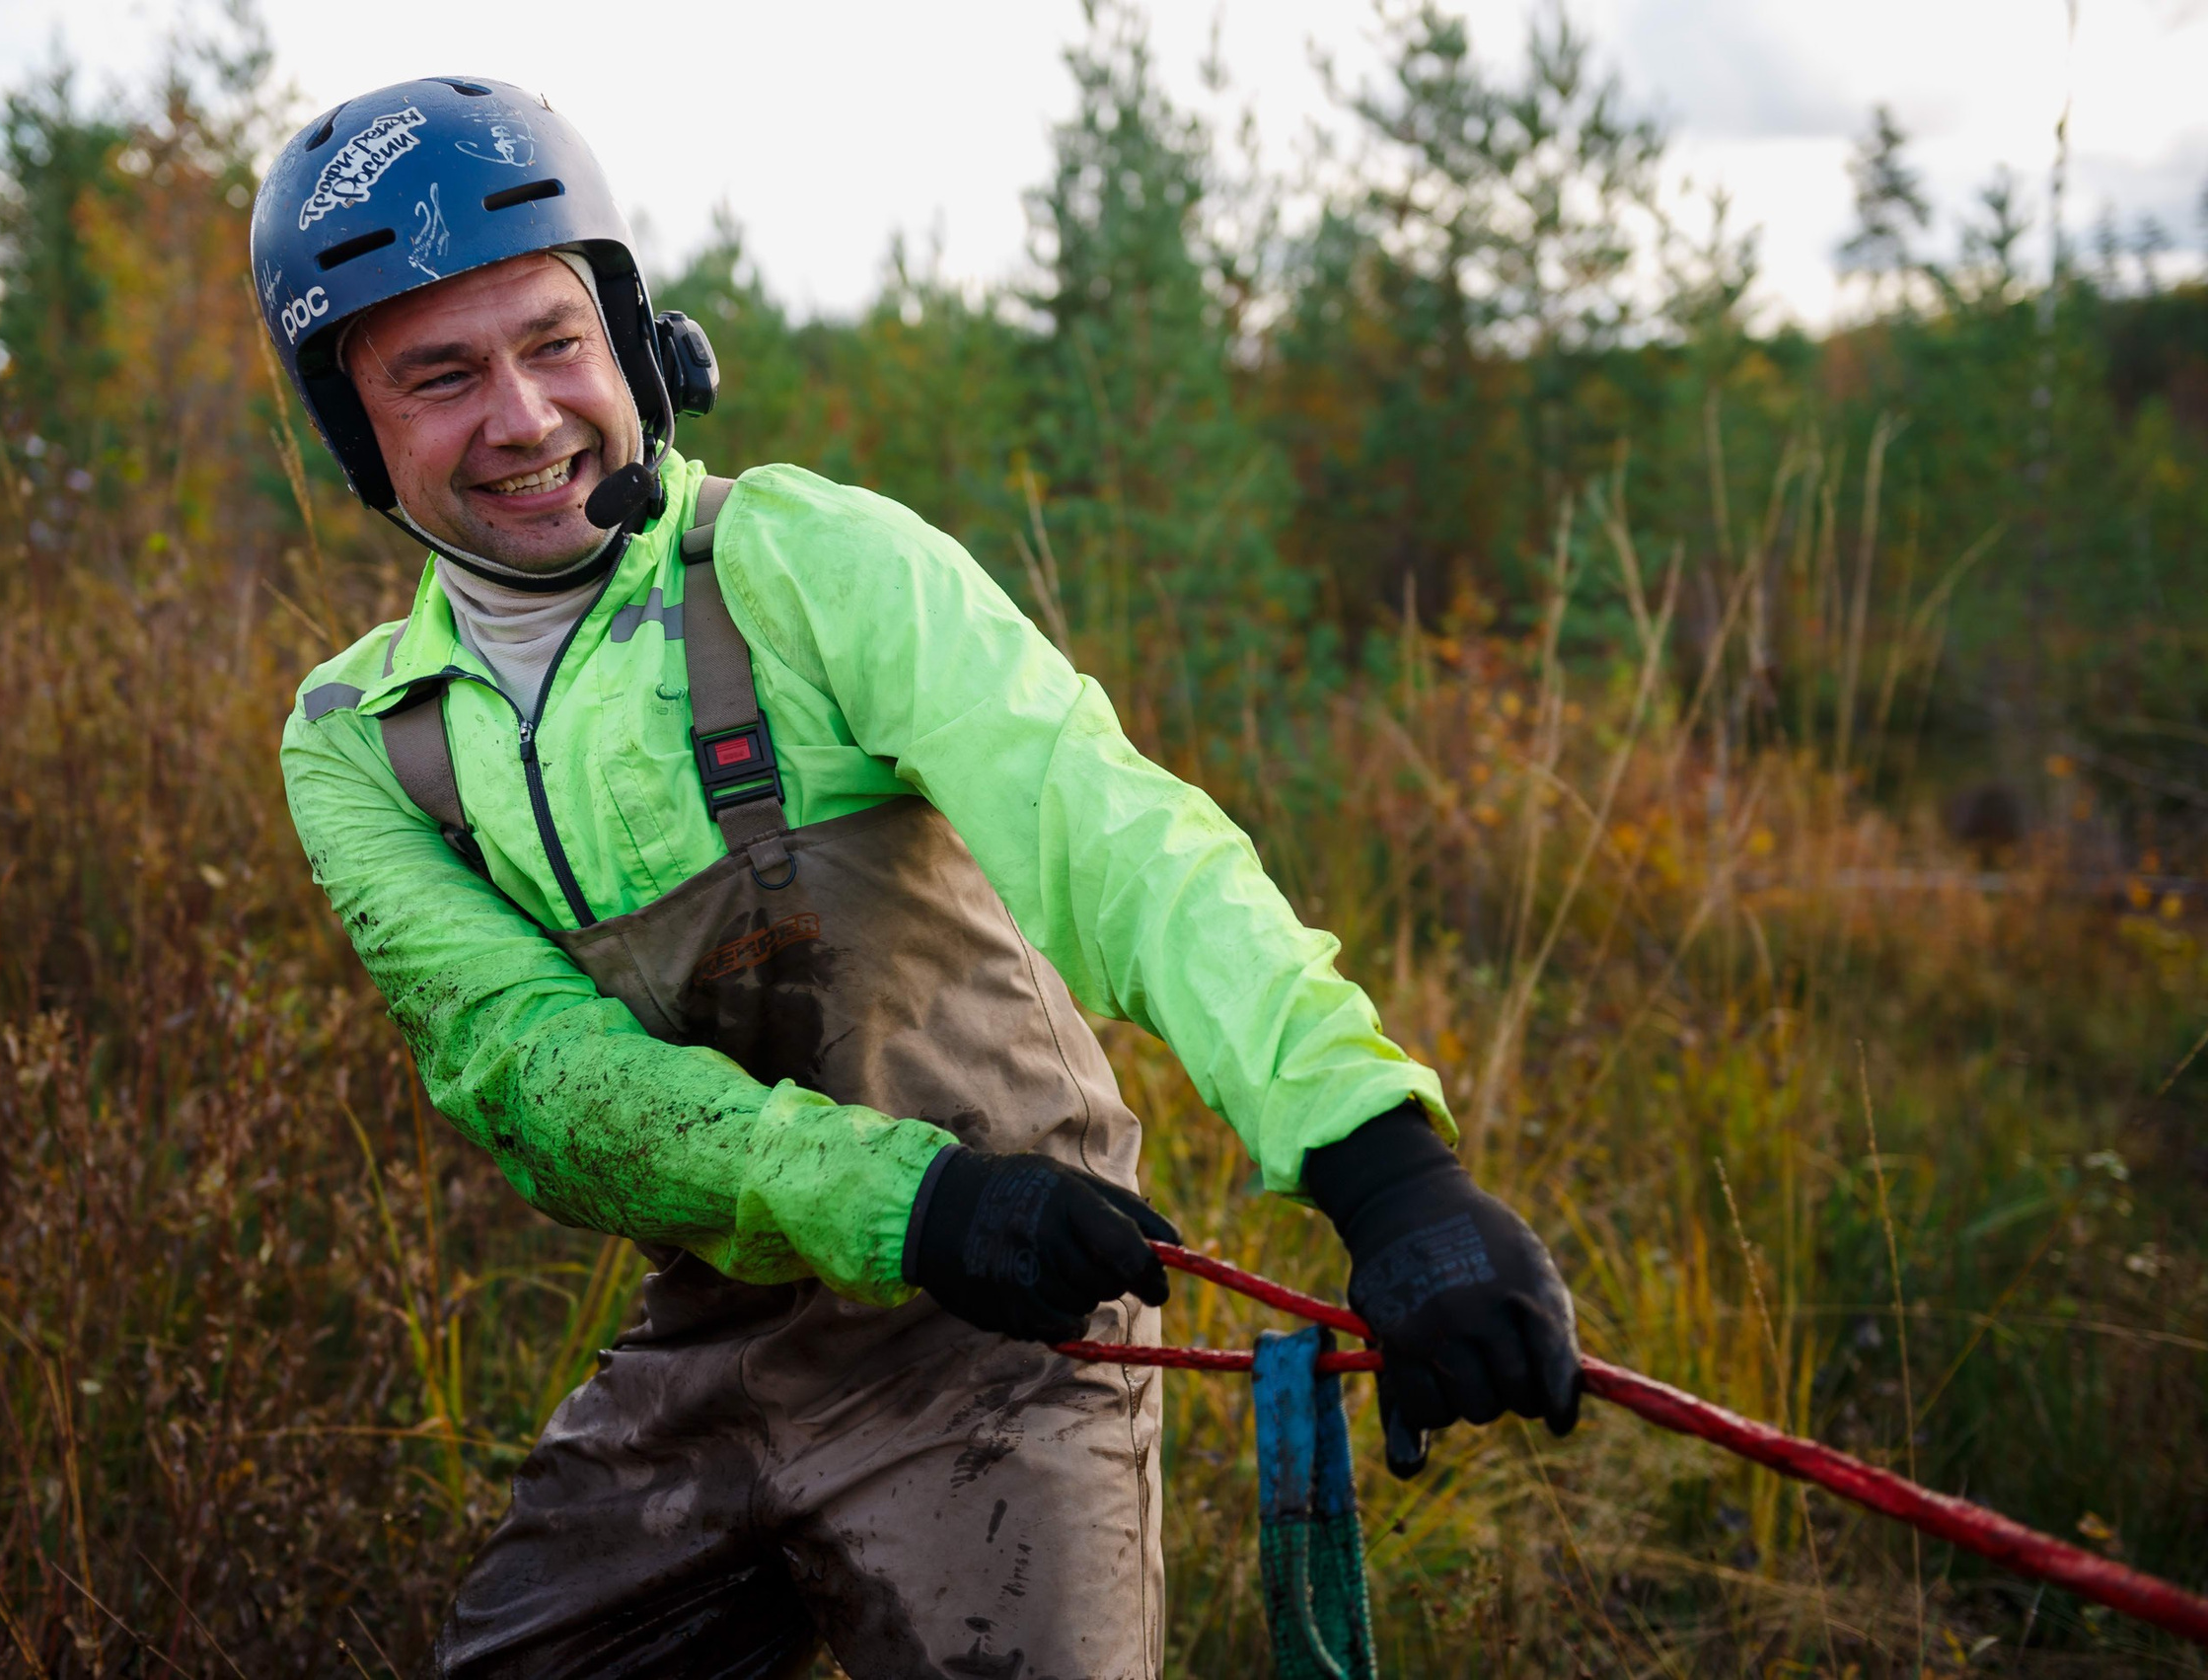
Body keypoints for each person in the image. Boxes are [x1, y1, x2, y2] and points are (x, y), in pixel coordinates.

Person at [258, 75, 1582, 1680]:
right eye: (441, 378)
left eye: (554, 341)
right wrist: (904, 1201)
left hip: (1018, 1338)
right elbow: (533, 1076)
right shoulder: (360, 742)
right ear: (356, 432)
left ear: (627, 339)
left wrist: (1385, 1173)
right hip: (726, 1339)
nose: (525, 417)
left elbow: (1113, 835)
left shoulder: (807, 564)